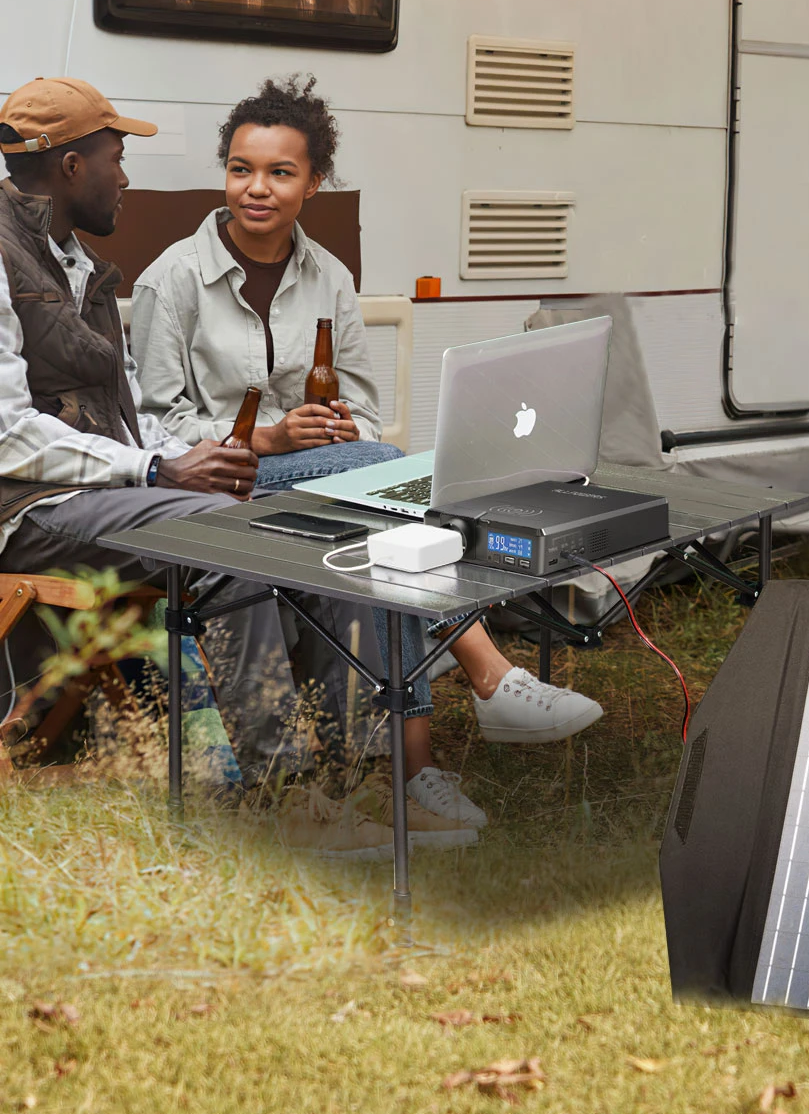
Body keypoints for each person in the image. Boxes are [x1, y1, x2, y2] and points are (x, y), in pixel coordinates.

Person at [130, 77, 602, 827]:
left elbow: (368, 412)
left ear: (314, 182)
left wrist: (340, 431)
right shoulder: (174, 280)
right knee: (383, 482)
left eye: (281, 173)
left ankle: (401, 772)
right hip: (217, 489)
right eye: (241, 169)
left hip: (319, 486)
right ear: (224, 173)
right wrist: (272, 437)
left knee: (384, 525)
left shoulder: (330, 279)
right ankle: (487, 677)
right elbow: (156, 426)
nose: (257, 188)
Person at [0, 77, 310, 786]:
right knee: (223, 533)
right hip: (25, 510)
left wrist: (195, 456)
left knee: (290, 520)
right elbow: (5, 436)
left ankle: (361, 758)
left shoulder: (79, 266)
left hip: (93, 493)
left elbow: (130, 419)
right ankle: (282, 789)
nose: (125, 178)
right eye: (116, 158)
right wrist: (155, 475)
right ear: (72, 166)